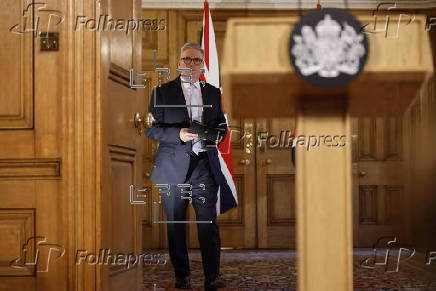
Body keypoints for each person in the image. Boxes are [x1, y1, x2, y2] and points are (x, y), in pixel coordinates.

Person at [145, 43, 228, 290]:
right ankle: (182, 276)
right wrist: (177, 134)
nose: (191, 64)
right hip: (172, 167)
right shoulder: (161, 92)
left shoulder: (213, 92)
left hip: (204, 165)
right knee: (175, 224)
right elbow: (150, 128)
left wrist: (215, 135)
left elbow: (222, 127)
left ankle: (212, 277)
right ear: (179, 63)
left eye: (196, 60)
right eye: (186, 59)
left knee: (207, 223)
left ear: (202, 64)